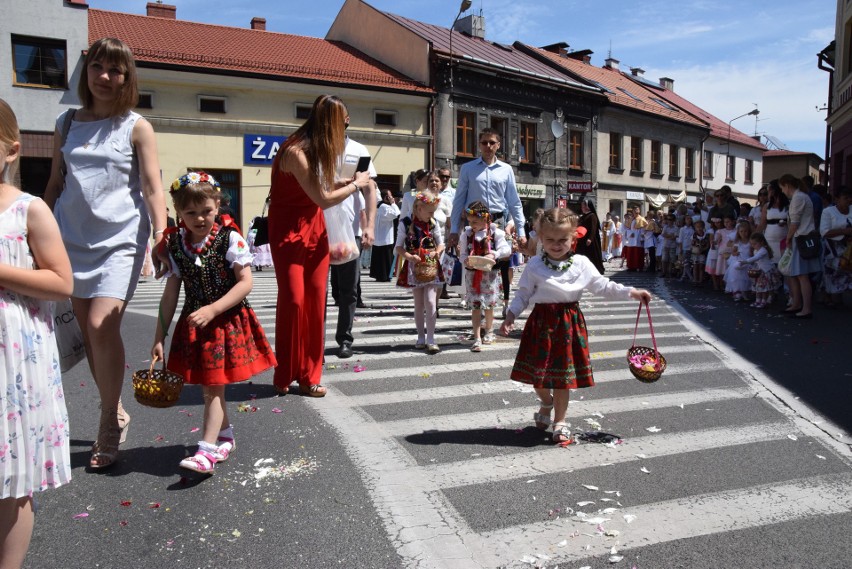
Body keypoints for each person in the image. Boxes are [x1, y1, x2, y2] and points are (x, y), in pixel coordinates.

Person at [42, 37, 168, 469]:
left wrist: (161, 234)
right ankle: (114, 408)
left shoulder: (136, 127)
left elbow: (152, 186)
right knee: (89, 331)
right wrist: (31, 228)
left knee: (100, 323)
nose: (104, 77)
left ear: (127, 77)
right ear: (86, 72)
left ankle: (106, 422)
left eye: (114, 70)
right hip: (69, 238)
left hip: (120, 240)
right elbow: (56, 184)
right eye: (97, 67)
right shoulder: (66, 122)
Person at [152, 172, 276, 474]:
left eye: (206, 211)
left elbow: (245, 283)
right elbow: (170, 294)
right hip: (195, 323)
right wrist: (159, 336)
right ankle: (224, 436)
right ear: (178, 212)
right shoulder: (177, 244)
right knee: (212, 385)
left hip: (225, 323)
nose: (199, 218)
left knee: (213, 387)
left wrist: (213, 308)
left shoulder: (229, 238)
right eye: (190, 213)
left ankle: (205, 451)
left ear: (217, 205)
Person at [499, 208, 651, 444]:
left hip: (568, 323)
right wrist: (510, 315)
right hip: (541, 323)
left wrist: (632, 292)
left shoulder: (581, 263)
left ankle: (560, 421)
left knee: (561, 378)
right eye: (550, 240)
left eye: (563, 240)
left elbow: (603, 286)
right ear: (540, 238)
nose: (556, 245)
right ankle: (546, 401)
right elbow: (523, 294)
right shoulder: (535, 265)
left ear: (573, 239)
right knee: (538, 377)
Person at [0, 99, 73, 569]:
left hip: (12, 364)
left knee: (10, 480)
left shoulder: (29, 209)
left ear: (10, 150)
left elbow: (61, 281)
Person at [268, 94, 371, 398]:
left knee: (315, 302)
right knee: (294, 301)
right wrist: (356, 184)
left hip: (315, 230)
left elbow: (323, 189)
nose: (346, 128)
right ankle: (285, 372)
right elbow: (323, 198)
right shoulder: (295, 152)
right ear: (330, 124)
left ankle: (309, 376)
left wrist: (346, 182)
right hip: (288, 231)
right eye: (343, 122)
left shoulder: (319, 152)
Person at [449, 128, 527, 313]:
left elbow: (514, 202)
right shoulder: (468, 168)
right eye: (484, 142)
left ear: (498, 145)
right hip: (475, 222)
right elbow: (459, 199)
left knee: (502, 263)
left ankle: (504, 305)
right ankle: (479, 307)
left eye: (492, 142)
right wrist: (454, 229)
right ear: (479, 145)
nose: (488, 146)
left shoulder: (506, 170)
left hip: (497, 220)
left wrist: (521, 231)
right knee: (477, 264)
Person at [395, 188, 445, 354]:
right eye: (430, 211)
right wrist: (409, 257)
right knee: (418, 303)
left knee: (431, 301)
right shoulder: (405, 223)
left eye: (433, 211)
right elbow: (399, 247)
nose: (432, 215)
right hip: (414, 267)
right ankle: (420, 337)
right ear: (419, 208)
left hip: (430, 266)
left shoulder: (433, 223)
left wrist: (437, 252)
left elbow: (441, 243)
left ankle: (431, 338)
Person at [458, 201, 510, 352]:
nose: (472, 224)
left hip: (490, 274)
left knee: (488, 306)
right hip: (472, 274)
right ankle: (476, 337)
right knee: (475, 306)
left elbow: (506, 249)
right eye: (470, 221)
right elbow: (462, 255)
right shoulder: (467, 235)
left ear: (486, 219)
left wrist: (494, 253)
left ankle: (489, 330)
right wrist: (465, 260)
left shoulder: (495, 233)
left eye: (475, 221)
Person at [779, 173, 820, 318]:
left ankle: (806, 308)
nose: (782, 191)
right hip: (801, 237)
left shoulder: (798, 198)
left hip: (801, 238)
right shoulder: (800, 197)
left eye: (782, 188)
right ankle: (796, 303)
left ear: (787, 186)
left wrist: (789, 238)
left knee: (802, 275)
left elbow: (795, 223)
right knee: (795, 274)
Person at [819, 185, 852, 307]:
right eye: (846, 197)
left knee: (848, 271)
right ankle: (829, 294)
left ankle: (838, 294)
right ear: (837, 199)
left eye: (850, 198)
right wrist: (844, 231)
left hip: (849, 248)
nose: (849, 200)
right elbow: (824, 232)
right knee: (833, 272)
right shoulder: (828, 212)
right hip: (833, 248)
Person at [743, 232, 782, 308]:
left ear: (761, 242)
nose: (753, 246)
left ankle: (764, 300)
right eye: (752, 244)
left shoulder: (763, 250)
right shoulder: (756, 250)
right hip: (760, 271)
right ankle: (758, 300)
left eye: (755, 244)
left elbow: (756, 258)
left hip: (766, 271)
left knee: (764, 288)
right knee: (758, 287)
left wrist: (745, 261)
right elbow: (756, 261)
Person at [370, 189, 400, 283]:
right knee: (385, 258)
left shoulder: (380, 205)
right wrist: (393, 203)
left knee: (381, 258)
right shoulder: (384, 207)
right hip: (385, 237)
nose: (392, 198)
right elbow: (396, 214)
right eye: (390, 196)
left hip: (380, 237)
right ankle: (385, 276)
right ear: (386, 197)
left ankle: (381, 276)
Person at [759, 180, 789, 264]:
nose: (768, 192)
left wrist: (786, 222)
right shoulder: (767, 206)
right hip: (769, 238)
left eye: (769, 190)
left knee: (784, 263)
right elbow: (762, 224)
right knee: (771, 262)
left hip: (784, 238)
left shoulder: (788, 206)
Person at [724, 220, 753, 302]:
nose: (744, 233)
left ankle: (744, 292)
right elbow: (733, 252)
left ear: (749, 231)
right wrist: (735, 253)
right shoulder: (737, 242)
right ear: (738, 232)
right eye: (741, 231)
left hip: (747, 260)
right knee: (736, 277)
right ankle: (736, 291)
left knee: (745, 278)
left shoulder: (750, 242)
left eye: (745, 231)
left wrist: (751, 253)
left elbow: (751, 251)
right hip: (738, 261)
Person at [575, 198, 605, 274]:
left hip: (590, 240)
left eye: (583, 206)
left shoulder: (592, 216)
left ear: (588, 206)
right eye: (581, 206)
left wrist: (590, 239)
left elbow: (593, 228)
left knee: (592, 256)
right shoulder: (583, 216)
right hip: (582, 239)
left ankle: (596, 270)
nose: (582, 208)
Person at [625, 206, 646, 271]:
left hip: (638, 238)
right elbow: (627, 228)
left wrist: (642, 237)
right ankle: (631, 266)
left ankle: (639, 266)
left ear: (639, 211)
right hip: (631, 238)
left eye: (637, 209)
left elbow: (643, 229)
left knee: (638, 253)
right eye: (634, 210)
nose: (635, 211)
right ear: (632, 211)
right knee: (631, 253)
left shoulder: (642, 219)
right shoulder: (631, 219)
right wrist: (630, 233)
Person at [691, 219, 711, 286]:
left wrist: (703, 249)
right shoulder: (694, 235)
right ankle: (695, 279)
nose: (699, 228)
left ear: (703, 227)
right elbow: (691, 244)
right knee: (695, 266)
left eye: (700, 227)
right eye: (697, 227)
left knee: (701, 267)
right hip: (695, 253)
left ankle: (700, 280)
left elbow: (708, 245)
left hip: (702, 253)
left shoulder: (706, 236)